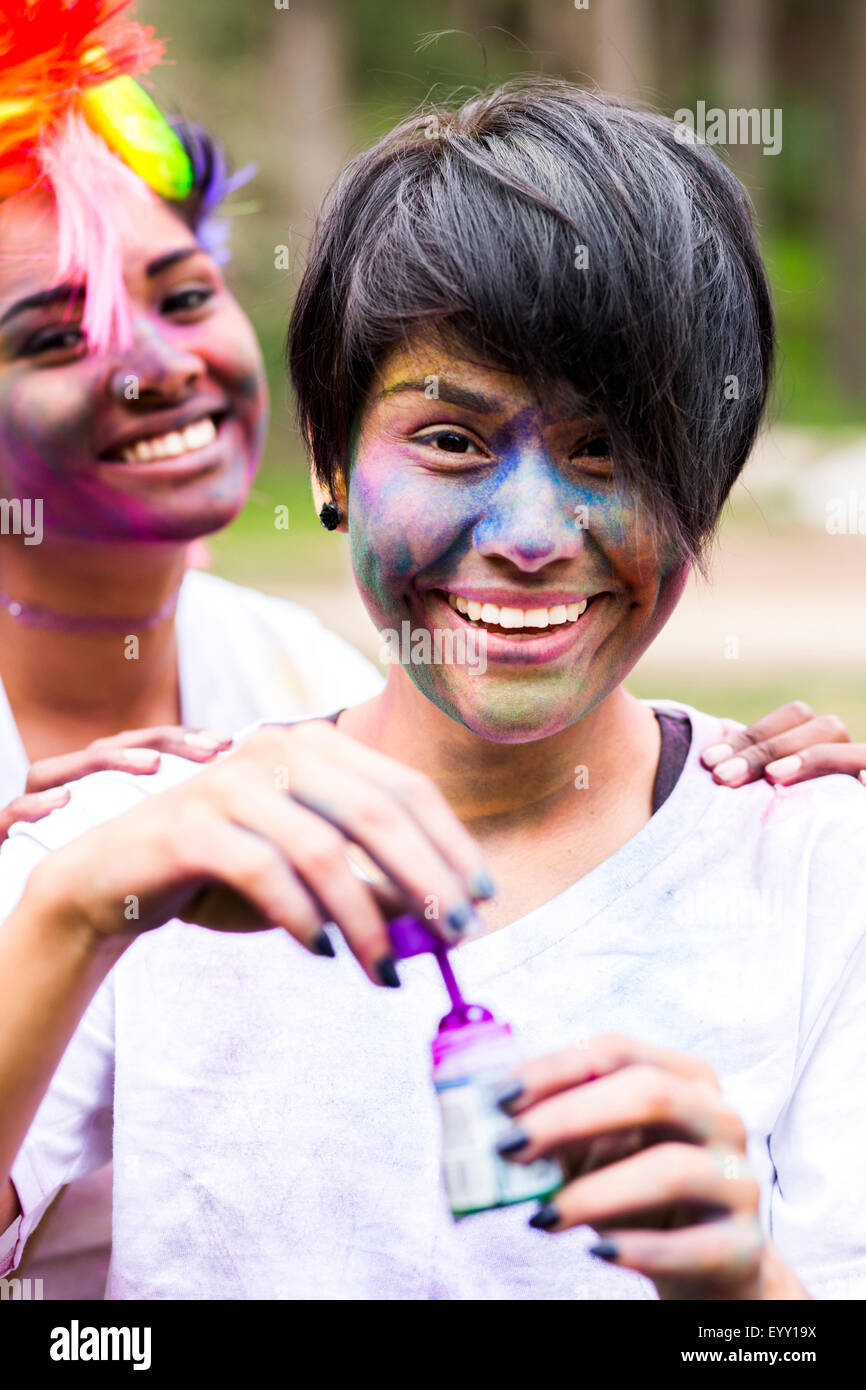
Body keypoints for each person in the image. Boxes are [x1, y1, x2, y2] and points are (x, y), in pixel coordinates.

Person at [1, 77, 865, 1301]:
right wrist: (72, 904)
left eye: (608, 450)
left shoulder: (822, 870)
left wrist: (740, 1290)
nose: (528, 533)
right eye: (451, 440)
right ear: (331, 462)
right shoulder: (136, 855)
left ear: (704, 488)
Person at [0, 0, 381, 1298]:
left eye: (182, 294)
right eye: (56, 336)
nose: (161, 364)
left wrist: (717, 769)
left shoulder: (316, 689)